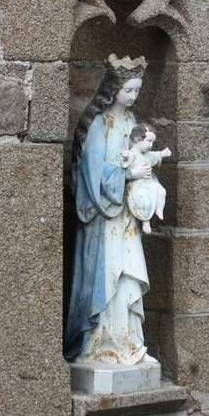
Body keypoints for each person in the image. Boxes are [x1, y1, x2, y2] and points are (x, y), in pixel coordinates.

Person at [65, 54, 157, 365]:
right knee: (109, 278)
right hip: (104, 220)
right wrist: (126, 176)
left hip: (126, 218)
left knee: (129, 277)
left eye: (137, 91)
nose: (133, 97)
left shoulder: (133, 123)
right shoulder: (99, 125)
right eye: (129, 90)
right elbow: (91, 175)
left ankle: (131, 343)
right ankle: (101, 343)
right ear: (113, 89)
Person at [121, 124, 171, 234]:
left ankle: (159, 210)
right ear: (136, 139)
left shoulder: (148, 155)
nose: (151, 145)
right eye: (149, 141)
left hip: (149, 182)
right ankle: (146, 221)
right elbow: (126, 161)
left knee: (162, 191)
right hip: (137, 185)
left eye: (152, 142)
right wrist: (125, 156)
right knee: (145, 202)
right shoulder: (132, 154)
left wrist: (163, 154)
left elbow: (155, 156)